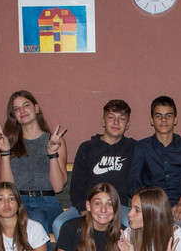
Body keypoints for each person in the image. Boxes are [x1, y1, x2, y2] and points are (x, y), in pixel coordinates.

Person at [52, 99, 135, 240]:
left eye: (121, 118)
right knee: (60, 223)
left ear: (127, 124)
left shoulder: (133, 148)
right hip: (88, 205)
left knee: (132, 223)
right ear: (103, 121)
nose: (116, 122)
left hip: (118, 207)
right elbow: (76, 187)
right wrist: (84, 210)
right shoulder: (87, 148)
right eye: (111, 117)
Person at [0, 90, 67, 233]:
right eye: (16, 109)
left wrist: (52, 153)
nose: (22, 111)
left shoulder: (55, 141)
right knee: (16, 220)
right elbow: (6, 186)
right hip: (18, 203)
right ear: (14, 115)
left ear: (36, 108)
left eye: (26, 105)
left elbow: (58, 187)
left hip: (48, 204)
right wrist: (5, 152)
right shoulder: (8, 143)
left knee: (35, 219)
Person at [128, 96, 181, 226]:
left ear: (175, 119)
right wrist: (149, 206)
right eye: (158, 116)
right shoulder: (142, 147)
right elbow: (134, 181)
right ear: (152, 120)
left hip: (179, 205)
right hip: (150, 206)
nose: (164, 120)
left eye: (168, 116)